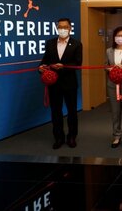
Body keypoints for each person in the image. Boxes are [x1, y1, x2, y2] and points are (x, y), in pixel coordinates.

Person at [39, 18, 83, 149]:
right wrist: (41, 67)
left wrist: (63, 66)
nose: (62, 29)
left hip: (69, 83)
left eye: (65, 27)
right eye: (60, 26)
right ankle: (58, 137)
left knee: (72, 111)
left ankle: (71, 137)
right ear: (57, 28)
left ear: (70, 28)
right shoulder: (50, 43)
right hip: (54, 84)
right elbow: (45, 60)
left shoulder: (76, 44)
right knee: (56, 111)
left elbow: (78, 63)